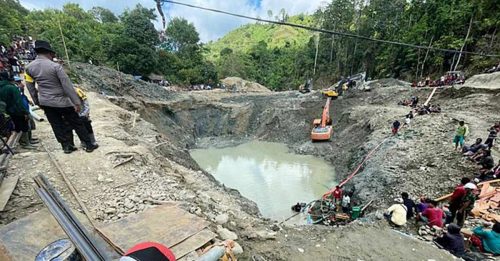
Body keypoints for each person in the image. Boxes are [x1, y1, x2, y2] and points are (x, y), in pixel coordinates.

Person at [24, 40, 97, 153]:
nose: (53, 56)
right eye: (53, 54)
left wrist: (37, 102)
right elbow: (67, 86)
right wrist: (76, 102)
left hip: (46, 102)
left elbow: (30, 87)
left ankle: (66, 147)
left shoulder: (29, 68)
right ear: (48, 52)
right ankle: (88, 145)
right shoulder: (55, 67)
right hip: (62, 101)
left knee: (56, 125)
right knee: (77, 123)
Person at [0, 71, 34, 149]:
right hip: (17, 110)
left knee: (17, 126)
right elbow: (18, 101)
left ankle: (26, 141)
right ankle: (25, 143)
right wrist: (25, 112)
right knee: (24, 126)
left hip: (7, 111)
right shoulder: (11, 87)